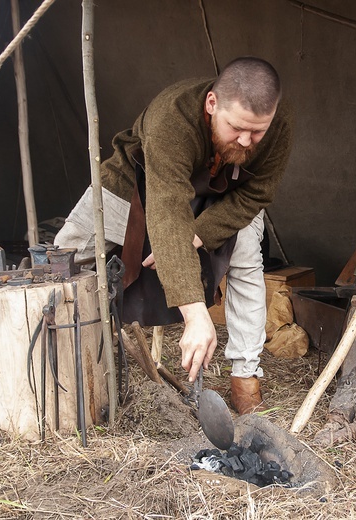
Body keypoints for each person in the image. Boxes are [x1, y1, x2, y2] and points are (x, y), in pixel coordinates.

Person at [55, 57, 293, 414]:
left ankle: (246, 378)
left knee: (246, 257)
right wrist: (196, 315)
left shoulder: (276, 122)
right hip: (139, 188)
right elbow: (167, 210)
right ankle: (58, 367)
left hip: (222, 201)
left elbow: (257, 193)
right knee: (64, 257)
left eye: (256, 132)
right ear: (212, 104)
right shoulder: (173, 117)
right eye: (236, 128)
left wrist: (202, 233)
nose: (246, 140)